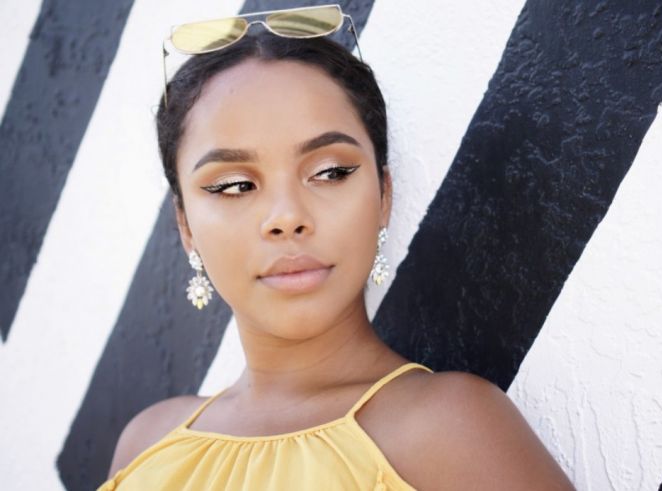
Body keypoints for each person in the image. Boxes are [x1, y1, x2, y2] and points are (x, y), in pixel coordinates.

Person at [100, 6, 574, 490]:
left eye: (331, 172)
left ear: (383, 196)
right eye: (236, 185)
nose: (287, 217)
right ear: (185, 225)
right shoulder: (145, 445)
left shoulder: (450, 432)